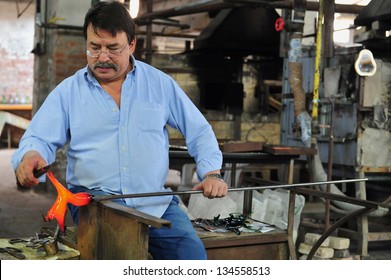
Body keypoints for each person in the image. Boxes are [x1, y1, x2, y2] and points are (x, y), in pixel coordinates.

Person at [11, 1, 228, 260]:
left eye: (113, 48)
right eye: (95, 48)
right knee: (117, 258)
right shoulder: (69, 92)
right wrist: (30, 155)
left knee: (192, 258)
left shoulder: (159, 85)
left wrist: (212, 172)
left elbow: (199, 130)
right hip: (95, 204)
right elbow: (38, 138)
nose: (103, 57)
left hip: (154, 202)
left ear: (132, 45)